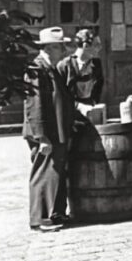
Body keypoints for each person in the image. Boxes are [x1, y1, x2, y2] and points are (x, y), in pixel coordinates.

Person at [23, 27, 82, 232]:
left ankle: (55, 213)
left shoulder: (51, 68)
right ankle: (41, 219)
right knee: (44, 174)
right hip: (46, 133)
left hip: (57, 131)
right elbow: (34, 106)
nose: (63, 51)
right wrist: (41, 137)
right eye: (59, 47)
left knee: (55, 172)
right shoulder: (36, 69)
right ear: (48, 48)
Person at [57, 28, 104, 111]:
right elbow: (60, 96)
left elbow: (99, 85)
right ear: (86, 46)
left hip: (89, 109)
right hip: (70, 111)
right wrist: (78, 106)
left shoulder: (96, 64)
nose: (100, 48)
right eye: (97, 45)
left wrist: (93, 102)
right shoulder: (64, 65)